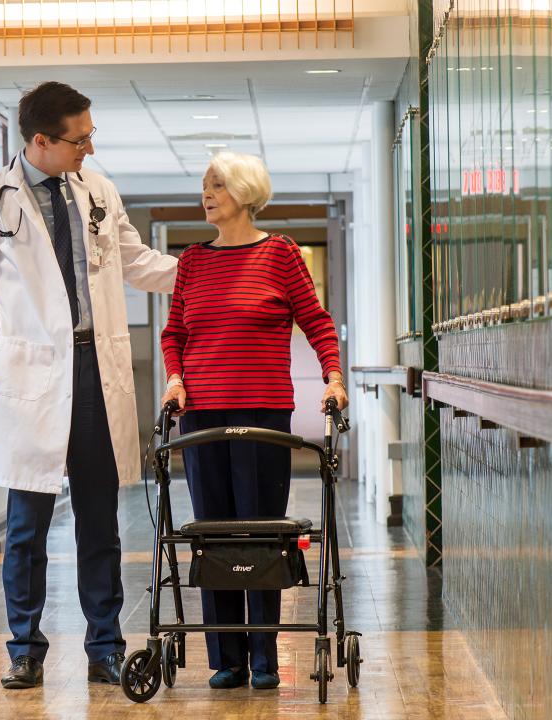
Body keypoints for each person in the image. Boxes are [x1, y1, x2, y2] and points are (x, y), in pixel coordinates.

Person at [0, 81, 178, 690]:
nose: (89, 150)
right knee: (26, 528)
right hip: (35, 376)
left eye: (91, 136)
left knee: (100, 521)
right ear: (41, 140)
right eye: (80, 139)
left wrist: (208, 270)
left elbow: (134, 261)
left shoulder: (96, 191)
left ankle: (104, 645)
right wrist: (5, 354)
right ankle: (25, 648)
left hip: (95, 372)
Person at [158, 151, 348, 691]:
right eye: (204, 185)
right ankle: (227, 657)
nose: (207, 194)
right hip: (202, 416)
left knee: (262, 529)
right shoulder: (192, 261)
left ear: (244, 191)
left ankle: (264, 653)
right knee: (213, 532)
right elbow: (174, 334)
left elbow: (316, 320)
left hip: (264, 411)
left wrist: (333, 378)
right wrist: (175, 378)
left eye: (217, 184)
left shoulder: (281, 254)